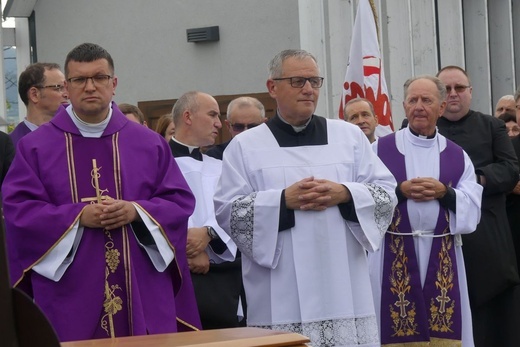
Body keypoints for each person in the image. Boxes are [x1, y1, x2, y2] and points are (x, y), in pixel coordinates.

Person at [1, 43, 201, 342]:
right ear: (67, 87)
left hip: (141, 287)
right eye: (80, 80)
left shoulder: (149, 143)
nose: (90, 86)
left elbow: (178, 202)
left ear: (114, 83)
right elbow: (18, 210)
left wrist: (137, 211)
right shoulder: (35, 147)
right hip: (69, 291)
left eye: (99, 77)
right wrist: (78, 215)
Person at [214, 49, 397, 347]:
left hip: (343, 282)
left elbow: (386, 195)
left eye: (314, 81)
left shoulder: (349, 137)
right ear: (272, 87)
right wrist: (282, 200)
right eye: (298, 81)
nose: (309, 89)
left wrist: (346, 193)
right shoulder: (245, 146)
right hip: (279, 287)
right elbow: (228, 211)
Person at [370, 75, 482, 346]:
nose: (419, 106)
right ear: (405, 106)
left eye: (427, 100)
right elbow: (364, 196)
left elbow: (473, 205)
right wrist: (399, 191)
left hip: (442, 251)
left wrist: (446, 193)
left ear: (441, 107)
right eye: (413, 100)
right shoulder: (380, 150)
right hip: (391, 252)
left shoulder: (457, 155)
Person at [436, 65, 520, 346]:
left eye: (459, 88)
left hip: (487, 233)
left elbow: (510, 169)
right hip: (438, 234)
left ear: (470, 92)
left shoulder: (491, 125)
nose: (453, 94)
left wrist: (475, 180)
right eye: (446, 89)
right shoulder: (420, 127)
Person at [169, 91, 242, 329]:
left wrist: (209, 233)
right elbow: (158, 209)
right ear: (188, 117)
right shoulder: (156, 161)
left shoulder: (221, 166)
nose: (219, 124)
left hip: (221, 278)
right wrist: (187, 248)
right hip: (173, 271)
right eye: (212, 115)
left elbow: (233, 205)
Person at [10, 62, 69, 148]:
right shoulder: (11, 145)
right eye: (58, 88)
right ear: (34, 95)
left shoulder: (71, 137)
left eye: (67, 88)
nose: (67, 94)